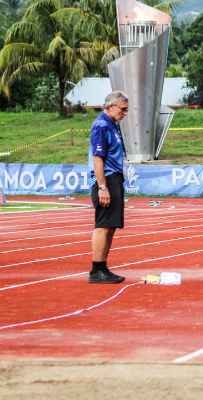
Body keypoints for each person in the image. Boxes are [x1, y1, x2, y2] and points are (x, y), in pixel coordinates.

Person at [88, 91, 129, 284]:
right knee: (103, 225)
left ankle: (103, 267)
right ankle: (96, 270)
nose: (125, 113)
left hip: (114, 178)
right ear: (111, 106)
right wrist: (102, 186)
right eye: (123, 109)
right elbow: (98, 158)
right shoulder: (101, 125)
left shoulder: (112, 125)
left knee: (110, 226)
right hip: (106, 179)